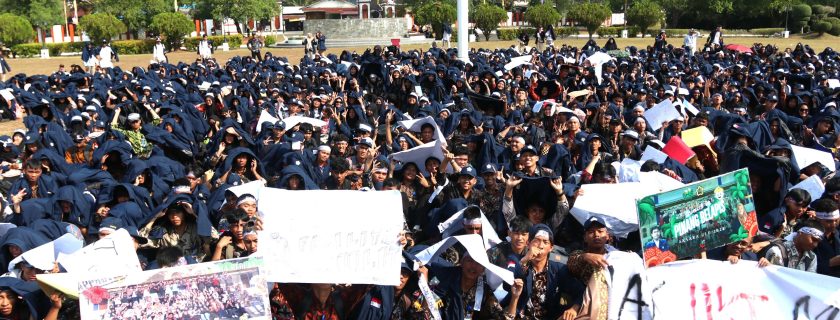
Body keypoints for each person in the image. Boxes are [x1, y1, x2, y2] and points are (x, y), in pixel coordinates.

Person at [507, 224, 583, 319]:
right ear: (528, 243)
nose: (540, 246)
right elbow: (507, 282)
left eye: (545, 242)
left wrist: (574, 309)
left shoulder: (559, 269)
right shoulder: (515, 260)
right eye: (536, 240)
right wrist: (525, 260)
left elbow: (581, 291)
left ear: (551, 247)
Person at [761, 220, 825, 272]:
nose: (815, 245)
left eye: (818, 242)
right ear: (801, 232)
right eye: (813, 239)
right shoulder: (777, 251)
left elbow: (809, 281)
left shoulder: (812, 257)